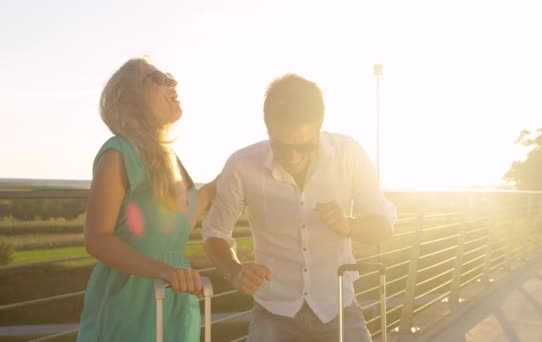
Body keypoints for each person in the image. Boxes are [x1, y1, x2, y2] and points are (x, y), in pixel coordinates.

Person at [203, 74, 397, 342]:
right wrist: (235, 271)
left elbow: (384, 226)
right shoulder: (241, 165)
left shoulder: (349, 154)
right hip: (273, 311)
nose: (293, 157)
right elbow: (215, 234)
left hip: (337, 306)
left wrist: (349, 226)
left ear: (319, 128)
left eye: (305, 146)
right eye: (282, 147)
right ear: (268, 130)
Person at [77, 57, 216, 341]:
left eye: (169, 75)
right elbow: (97, 238)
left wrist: (224, 182)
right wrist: (165, 271)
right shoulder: (118, 152)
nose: (173, 82)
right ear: (130, 98)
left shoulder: (170, 159)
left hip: (175, 295)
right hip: (130, 302)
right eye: (158, 78)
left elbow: (171, 230)